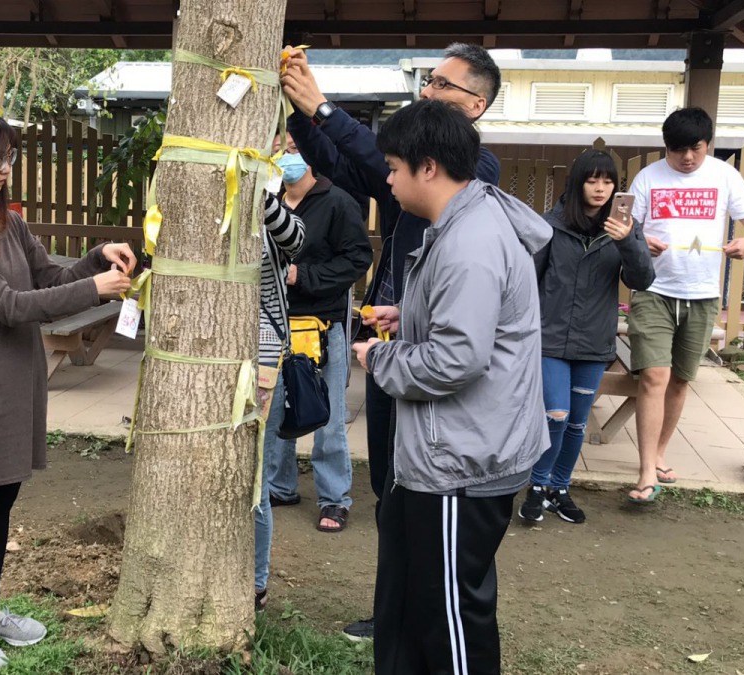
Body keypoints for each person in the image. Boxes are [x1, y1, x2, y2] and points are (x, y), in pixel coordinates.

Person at [281, 39, 504, 641]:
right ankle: (393, 615)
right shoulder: (409, 182)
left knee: (424, 499)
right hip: (390, 350)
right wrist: (302, 113)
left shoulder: (478, 172)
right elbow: (348, 163)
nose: (427, 90)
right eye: (428, 80)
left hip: (431, 365)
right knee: (389, 490)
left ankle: (430, 617)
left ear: (477, 105)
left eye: (442, 84)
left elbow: (364, 149)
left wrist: (324, 108)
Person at [0, 105, 134, 673]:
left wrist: (96, 258)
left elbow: (49, 277)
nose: (5, 168)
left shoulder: (6, 221)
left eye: (9, 157)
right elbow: (8, 305)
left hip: (20, 382)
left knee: (2, 503)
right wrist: (95, 288)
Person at [352, 99, 550, 674]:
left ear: (429, 167)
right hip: (449, 452)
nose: (388, 181)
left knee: (451, 617)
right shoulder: (465, 223)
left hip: (461, 462)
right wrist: (407, 315)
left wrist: (380, 357)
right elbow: (465, 321)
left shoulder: (470, 244)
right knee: (418, 601)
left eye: (394, 168)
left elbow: (455, 359)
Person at [625, 107, 744, 503]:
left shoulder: (725, 176)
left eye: (696, 148)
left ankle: (659, 453)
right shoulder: (648, 177)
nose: (687, 157)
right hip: (653, 290)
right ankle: (646, 471)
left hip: (702, 295)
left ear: (708, 144)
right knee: (654, 376)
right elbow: (627, 226)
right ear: (666, 147)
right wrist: (641, 240)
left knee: (680, 379)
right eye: (678, 150)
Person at [518, 150, 655, 524]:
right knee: (556, 415)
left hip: (594, 341)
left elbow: (642, 280)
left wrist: (628, 242)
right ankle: (537, 485)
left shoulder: (624, 229)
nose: (600, 188)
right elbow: (528, 279)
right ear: (578, 183)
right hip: (550, 338)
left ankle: (560, 489)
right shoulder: (549, 226)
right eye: (592, 180)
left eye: (608, 181)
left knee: (578, 421)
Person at [266, 134, 372, 534]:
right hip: (275, 323)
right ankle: (280, 486)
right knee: (276, 411)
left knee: (328, 416)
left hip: (323, 326)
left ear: (312, 154)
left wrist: (303, 275)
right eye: (279, 148)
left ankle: (334, 497)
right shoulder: (268, 201)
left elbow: (358, 259)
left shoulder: (338, 202)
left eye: (294, 148)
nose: (286, 156)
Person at [252, 189, 307, 611]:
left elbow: (297, 240)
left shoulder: (274, 213)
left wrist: (262, 194)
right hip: (212, 358)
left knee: (256, 479)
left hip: (264, 362)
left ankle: (256, 583)